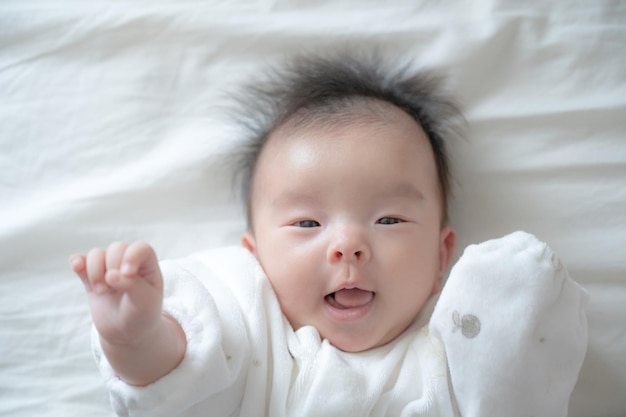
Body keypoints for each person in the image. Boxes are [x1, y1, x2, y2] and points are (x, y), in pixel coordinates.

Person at [69, 51, 587, 417]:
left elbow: (519, 397)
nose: (348, 245)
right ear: (255, 256)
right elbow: (177, 392)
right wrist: (137, 337)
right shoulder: (252, 341)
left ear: (440, 256)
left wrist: (514, 317)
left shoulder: (452, 350)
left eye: (388, 220)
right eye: (307, 224)